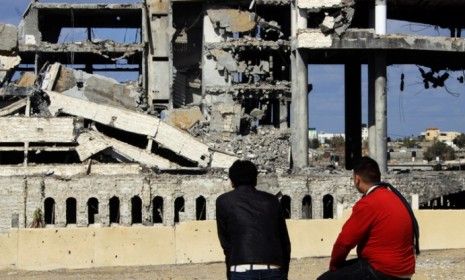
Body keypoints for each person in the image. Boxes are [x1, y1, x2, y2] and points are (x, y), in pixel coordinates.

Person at [318, 157, 419, 280]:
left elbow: (344, 243)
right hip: (405, 270)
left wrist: (334, 267)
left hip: (383, 271)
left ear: (357, 179)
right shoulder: (393, 196)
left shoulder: (368, 203)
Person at [216, 160, 291, 280]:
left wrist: (230, 272)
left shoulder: (224, 201)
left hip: (241, 268)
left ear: (232, 181)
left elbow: (226, 242)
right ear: (255, 179)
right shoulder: (272, 201)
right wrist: (283, 272)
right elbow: (284, 241)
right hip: (273, 268)